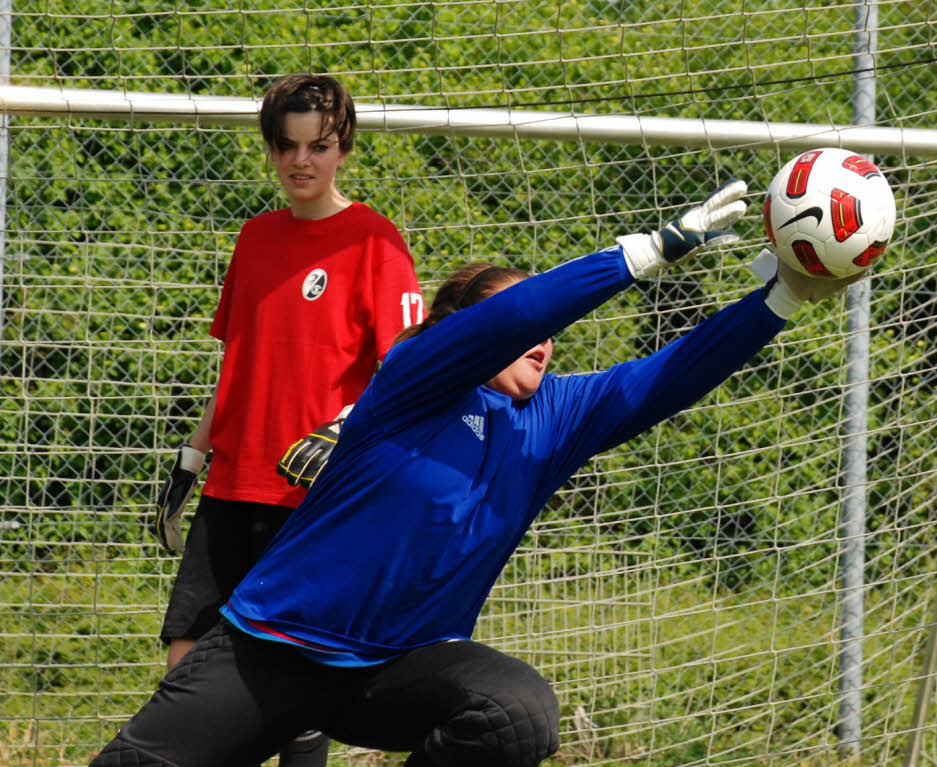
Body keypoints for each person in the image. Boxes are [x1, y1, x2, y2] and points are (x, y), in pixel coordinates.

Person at [99, 180, 860, 767]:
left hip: (396, 667)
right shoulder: (415, 378)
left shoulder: (553, 416)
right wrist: (645, 251)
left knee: (517, 710)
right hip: (273, 650)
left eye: (549, 332)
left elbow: (667, 376)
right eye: (530, 325)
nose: (543, 340)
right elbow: (506, 319)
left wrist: (782, 298)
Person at [152, 73, 423, 767]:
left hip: (311, 496)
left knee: (292, 677)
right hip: (231, 482)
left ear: (343, 148)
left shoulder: (376, 242)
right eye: (287, 146)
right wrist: (192, 454)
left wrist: (343, 428)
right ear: (271, 150)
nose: (302, 161)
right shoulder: (255, 239)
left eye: (320, 145)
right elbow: (235, 366)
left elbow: (407, 374)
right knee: (187, 653)